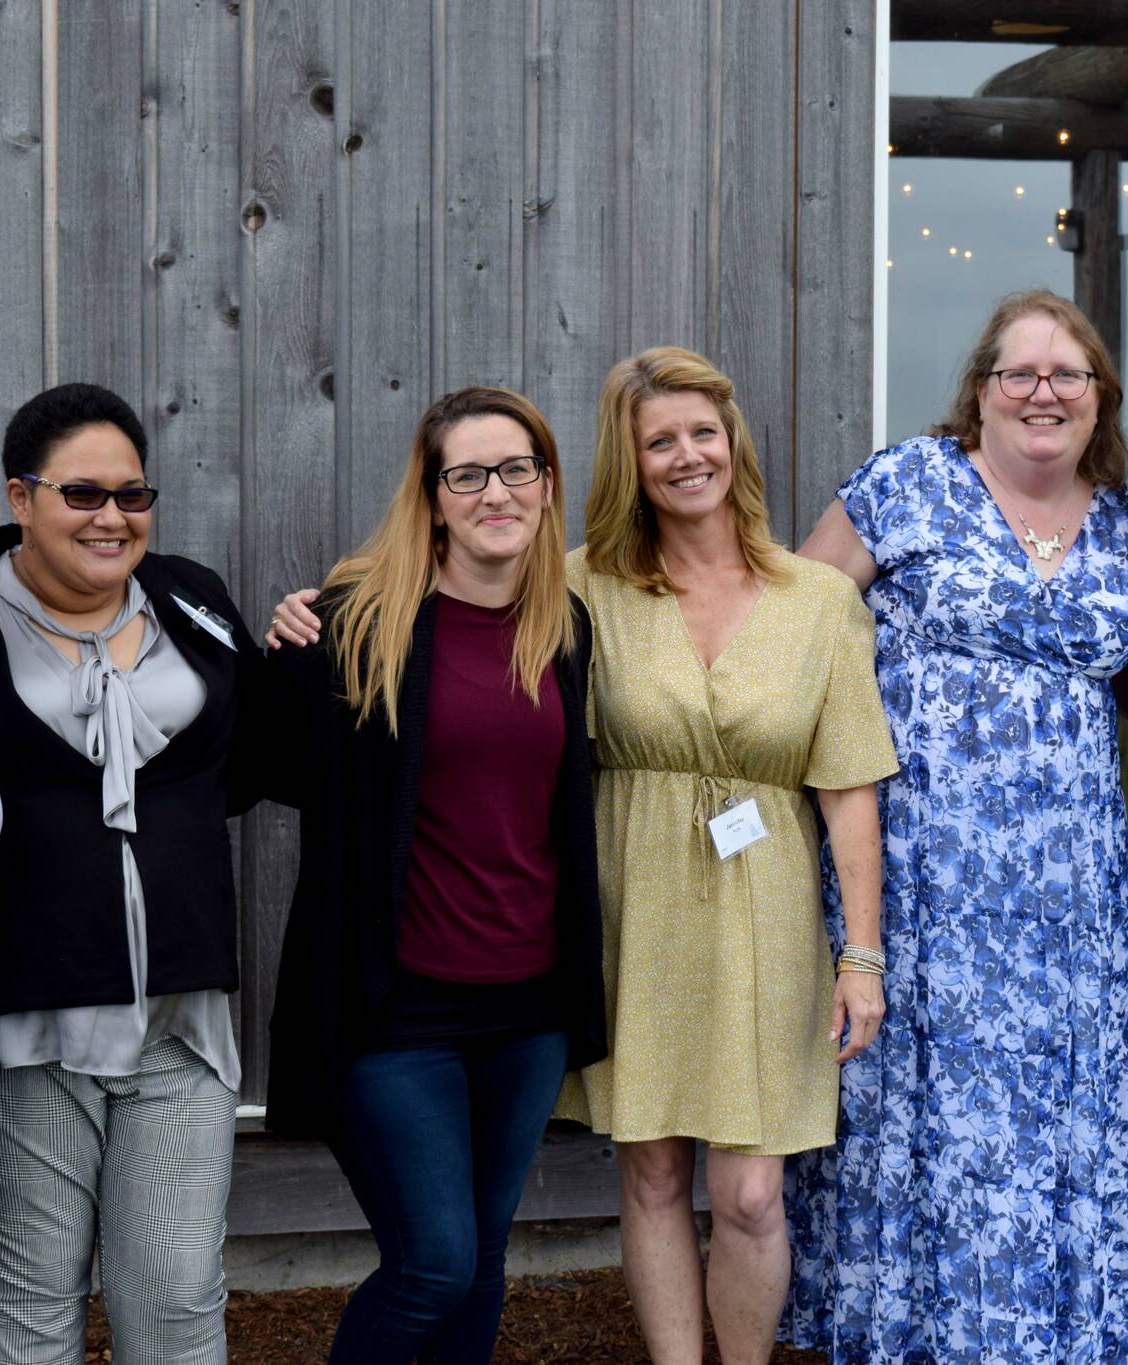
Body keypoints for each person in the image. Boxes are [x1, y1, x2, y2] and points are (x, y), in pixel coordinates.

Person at [270, 350, 895, 1365]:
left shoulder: (817, 600)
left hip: (762, 919)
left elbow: (849, 787)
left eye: (703, 432)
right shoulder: (582, 588)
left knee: (745, 1193)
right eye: (660, 441)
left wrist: (859, 955)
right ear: (627, 463)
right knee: (641, 1178)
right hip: (630, 909)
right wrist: (315, 606)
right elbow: (441, 590)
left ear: (734, 442)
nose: (687, 456)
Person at [783, 289, 1128, 1363]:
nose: (1042, 391)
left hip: (1066, 905)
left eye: (1065, 374)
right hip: (915, 878)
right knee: (911, 1117)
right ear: (978, 393)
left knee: (1042, 1125)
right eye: (1017, 373)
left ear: (1096, 399)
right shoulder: (906, 483)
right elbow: (792, 630)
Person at [0, 383, 257, 1365]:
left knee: (176, 1301)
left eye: (132, 496)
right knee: (30, 1310)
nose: (112, 518)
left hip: (180, 1017)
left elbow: (252, 760)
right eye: (82, 495)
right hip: (25, 1022)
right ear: (21, 496)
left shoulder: (194, 598)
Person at [258, 386, 606, 1362]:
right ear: (433, 493)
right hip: (396, 1013)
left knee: (482, 1261)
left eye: (516, 470)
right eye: (469, 474)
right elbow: (262, 766)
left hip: (525, 1013)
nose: (495, 492)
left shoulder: (562, 628)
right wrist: (284, 644)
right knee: (433, 1266)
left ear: (544, 486)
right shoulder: (355, 623)